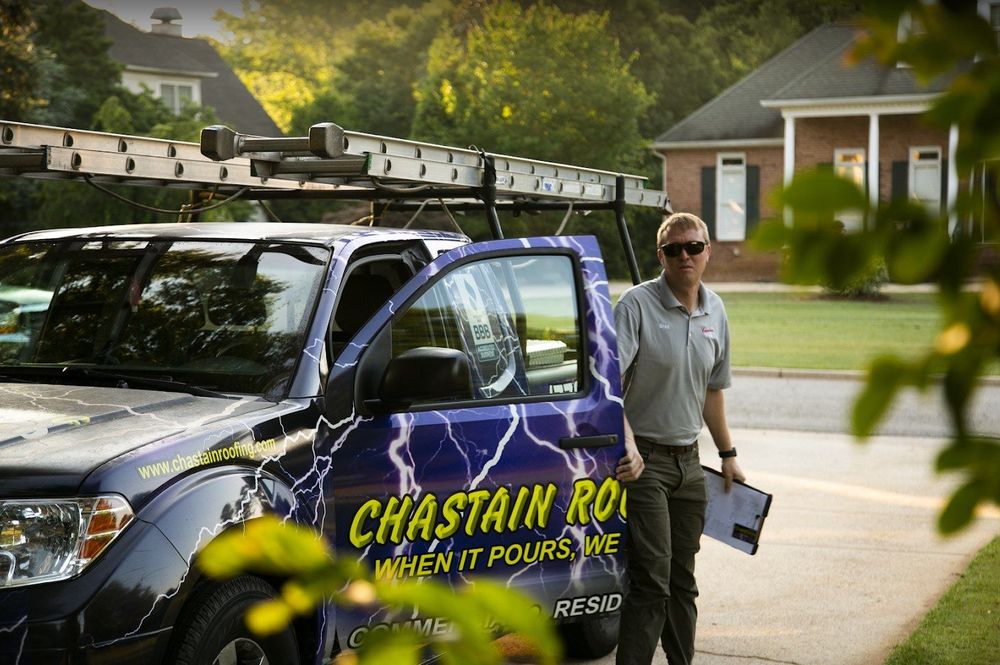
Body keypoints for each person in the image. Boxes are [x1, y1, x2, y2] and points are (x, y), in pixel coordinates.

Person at [613, 212, 746, 665]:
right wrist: (627, 445)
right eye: (674, 249)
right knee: (652, 581)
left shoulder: (716, 309)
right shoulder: (636, 305)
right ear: (661, 256)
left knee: (682, 581)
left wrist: (727, 454)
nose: (684, 255)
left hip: (689, 466)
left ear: (708, 251)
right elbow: (608, 386)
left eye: (693, 247)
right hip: (644, 464)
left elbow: (712, 390)